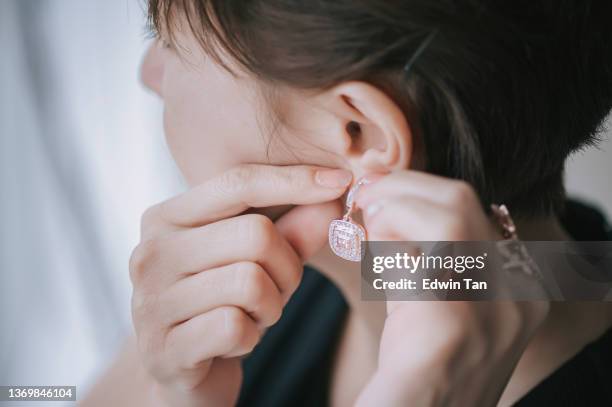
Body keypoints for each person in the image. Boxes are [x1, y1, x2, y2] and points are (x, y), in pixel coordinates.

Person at [82, 1, 612, 406]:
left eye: (168, 41)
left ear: (359, 133)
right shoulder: (246, 280)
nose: (148, 75)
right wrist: (171, 395)